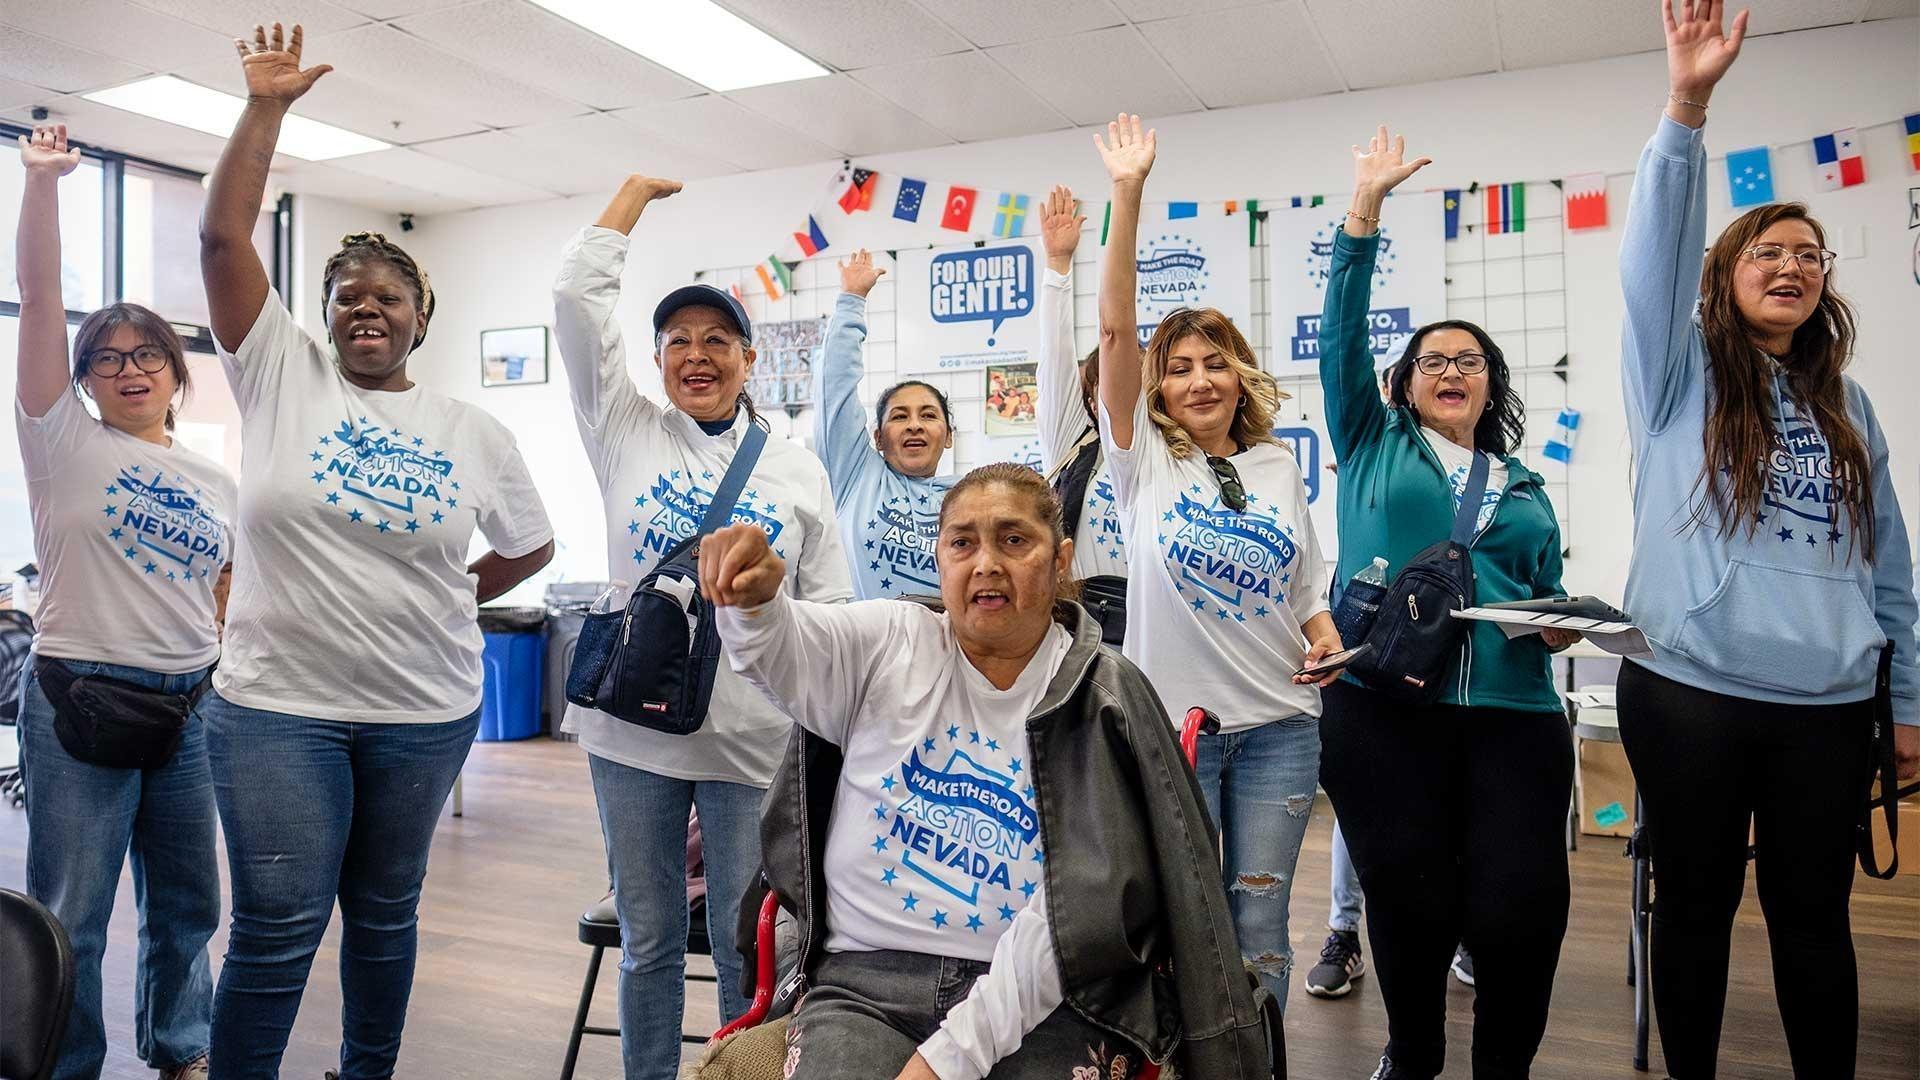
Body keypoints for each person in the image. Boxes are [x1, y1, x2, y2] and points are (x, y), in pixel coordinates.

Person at [198, 24, 555, 1079]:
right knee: (274, 927)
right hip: (275, 707)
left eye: (388, 296)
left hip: (423, 710)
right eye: (347, 292)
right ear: (321, 315)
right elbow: (222, 246)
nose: (366, 305)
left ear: (420, 320)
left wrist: (451, 588)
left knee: (386, 916)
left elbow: (530, 548)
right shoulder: (279, 375)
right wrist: (265, 109)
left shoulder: (472, 432)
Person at [702, 464, 1271, 1080]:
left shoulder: (1100, 695)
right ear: (939, 559)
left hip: (1058, 999)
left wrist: (947, 1060)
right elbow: (782, 648)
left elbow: (1070, 920)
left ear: (1061, 562)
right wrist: (754, 603)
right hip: (865, 986)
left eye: (1014, 539)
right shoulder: (890, 641)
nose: (986, 563)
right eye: (962, 543)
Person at [1617, 4, 1917, 1076]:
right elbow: (1651, 254)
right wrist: (1688, 106)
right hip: (1691, 688)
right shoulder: (1674, 375)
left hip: (1828, 708)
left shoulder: (1853, 409)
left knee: (1814, 921)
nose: (1792, 265)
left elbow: (1891, 571)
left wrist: (1910, 705)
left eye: (1811, 255)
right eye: (1768, 251)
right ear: (1726, 275)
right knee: (1695, 904)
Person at [551, 172, 853, 1080]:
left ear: (748, 359)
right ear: (654, 361)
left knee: (739, 944)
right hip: (629, 736)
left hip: (751, 740)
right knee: (647, 940)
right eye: (676, 339)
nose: (696, 352)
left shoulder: (796, 469)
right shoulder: (623, 428)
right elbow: (575, 299)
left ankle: (728, 1075)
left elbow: (832, 608)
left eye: (717, 339)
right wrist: (630, 200)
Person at [1314, 124, 1579, 1080]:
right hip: (1388, 709)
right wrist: (1364, 213)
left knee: (1519, 910)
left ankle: (1502, 1065)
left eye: (1470, 361)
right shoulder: (1373, 443)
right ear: (1403, 383)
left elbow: (1543, 594)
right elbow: (1343, 328)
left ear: (1492, 384)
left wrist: (1559, 621)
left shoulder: (1528, 486)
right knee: (1409, 900)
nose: (1453, 370)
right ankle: (1413, 1053)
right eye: (1434, 360)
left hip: (1514, 714)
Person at [1092, 113, 1341, 1015]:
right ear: (1158, 387)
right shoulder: (1143, 462)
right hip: (1178, 728)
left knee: (1262, 926)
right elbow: (1116, 333)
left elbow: (1306, 585)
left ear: (1241, 374)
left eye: (1216, 363)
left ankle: (1259, 1060)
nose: (1199, 380)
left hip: (1283, 724)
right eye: (1180, 367)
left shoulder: (1277, 465)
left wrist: (1323, 639)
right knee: (1181, 920)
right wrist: (1128, 193)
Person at [12, 123, 234, 1080]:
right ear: (83, 379)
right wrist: (45, 186)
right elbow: (43, 301)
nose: (129, 369)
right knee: (74, 911)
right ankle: (63, 1066)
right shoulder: (60, 442)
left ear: (179, 375)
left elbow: (224, 593)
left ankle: (182, 1052)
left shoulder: (215, 480)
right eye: (106, 358)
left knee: (190, 903)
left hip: (190, 706)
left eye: (149, 355)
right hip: (80, 704)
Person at [815, 249, 955, 599]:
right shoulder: (857, 477)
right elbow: (835, 388)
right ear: (878, 437)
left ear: (948, 436)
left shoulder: (966, 497)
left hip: (945, 652)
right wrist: (851, 302)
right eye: (899, 416)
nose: (914, 425)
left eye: (928, 415)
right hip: (865, 651)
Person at [1034, 185, 1129, 643]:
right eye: (1100, 385)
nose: (1113, 394)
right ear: (1088, 398)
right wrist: (1058, 266)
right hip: (1078, 625)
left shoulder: (1173, 453)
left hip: (1157, 623)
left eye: (1129, 382)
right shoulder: (1073, 443)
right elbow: (1055, 360)